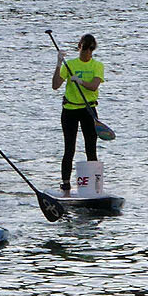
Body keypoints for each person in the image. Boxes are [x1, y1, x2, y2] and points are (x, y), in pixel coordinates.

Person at [52, 33, 104, 193]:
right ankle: (66, 184)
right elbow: (55, 85)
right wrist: (59, 64)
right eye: (84, 48)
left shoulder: (97, 65)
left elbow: (94, 86)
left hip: (88, 109)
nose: (86, 52)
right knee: (69, 148)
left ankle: (95, 187)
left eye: (89, 49)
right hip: (70, 110)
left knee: (91, 148)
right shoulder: (70, 64)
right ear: (79, 47)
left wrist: (80, 81)